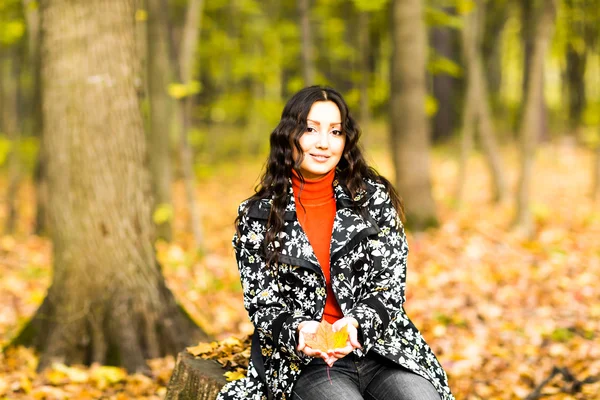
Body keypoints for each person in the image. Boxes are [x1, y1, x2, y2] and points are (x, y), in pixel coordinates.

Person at [217, 86, 454, 400]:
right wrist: (300, 330)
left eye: (336, 131)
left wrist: (356, 325)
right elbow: (262, 302)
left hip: (380, 350)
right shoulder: (258, 215)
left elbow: (389, 286)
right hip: (304, 363)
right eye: (310, 129)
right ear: (289, 135)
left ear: (346, 140)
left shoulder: (372, 199)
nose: (323, 143)